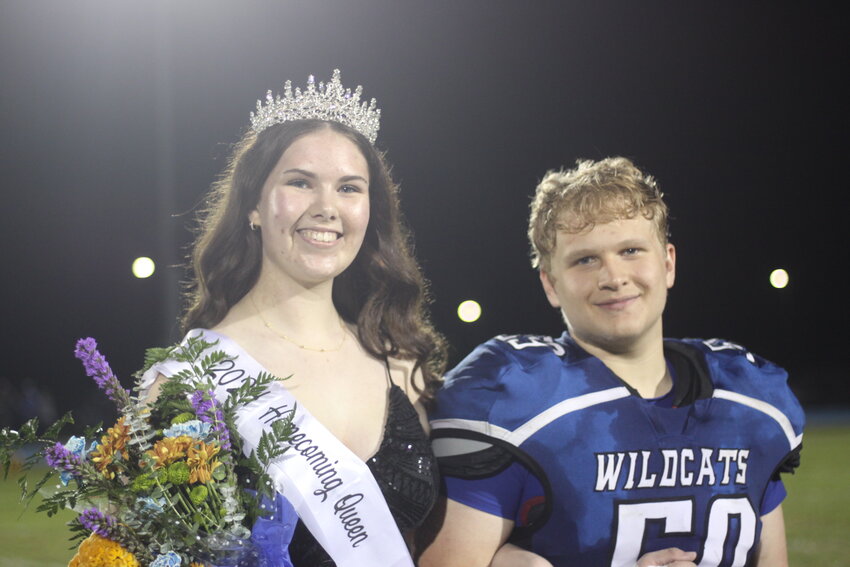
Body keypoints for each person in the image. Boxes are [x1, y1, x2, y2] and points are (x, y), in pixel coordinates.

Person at [420, 157, 803, 567]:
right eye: (586, 260)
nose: (613, 276)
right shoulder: (512, 399)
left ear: (668, 263)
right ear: (551, 283)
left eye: (631, 250)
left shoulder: (748, 397)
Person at [141, 70, 446, 567]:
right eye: (300, 182)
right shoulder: (189, 379)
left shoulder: (401, 363)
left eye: (349, 188)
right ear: (254, 206)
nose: (327, 207)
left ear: (370, 211)